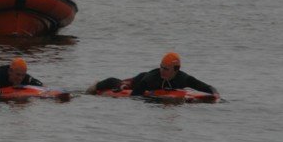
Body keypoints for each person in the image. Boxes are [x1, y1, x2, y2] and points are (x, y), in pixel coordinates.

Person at [89, 52, 218, 97]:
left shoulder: (183, 78)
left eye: (166, 69)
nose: (162, 70)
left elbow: (203, 86)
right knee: (120, 83)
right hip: (139, 80)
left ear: (176, 69)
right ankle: (95, 85)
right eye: (161, 67)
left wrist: (214, 93)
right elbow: (135, 95)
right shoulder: (151, 78)